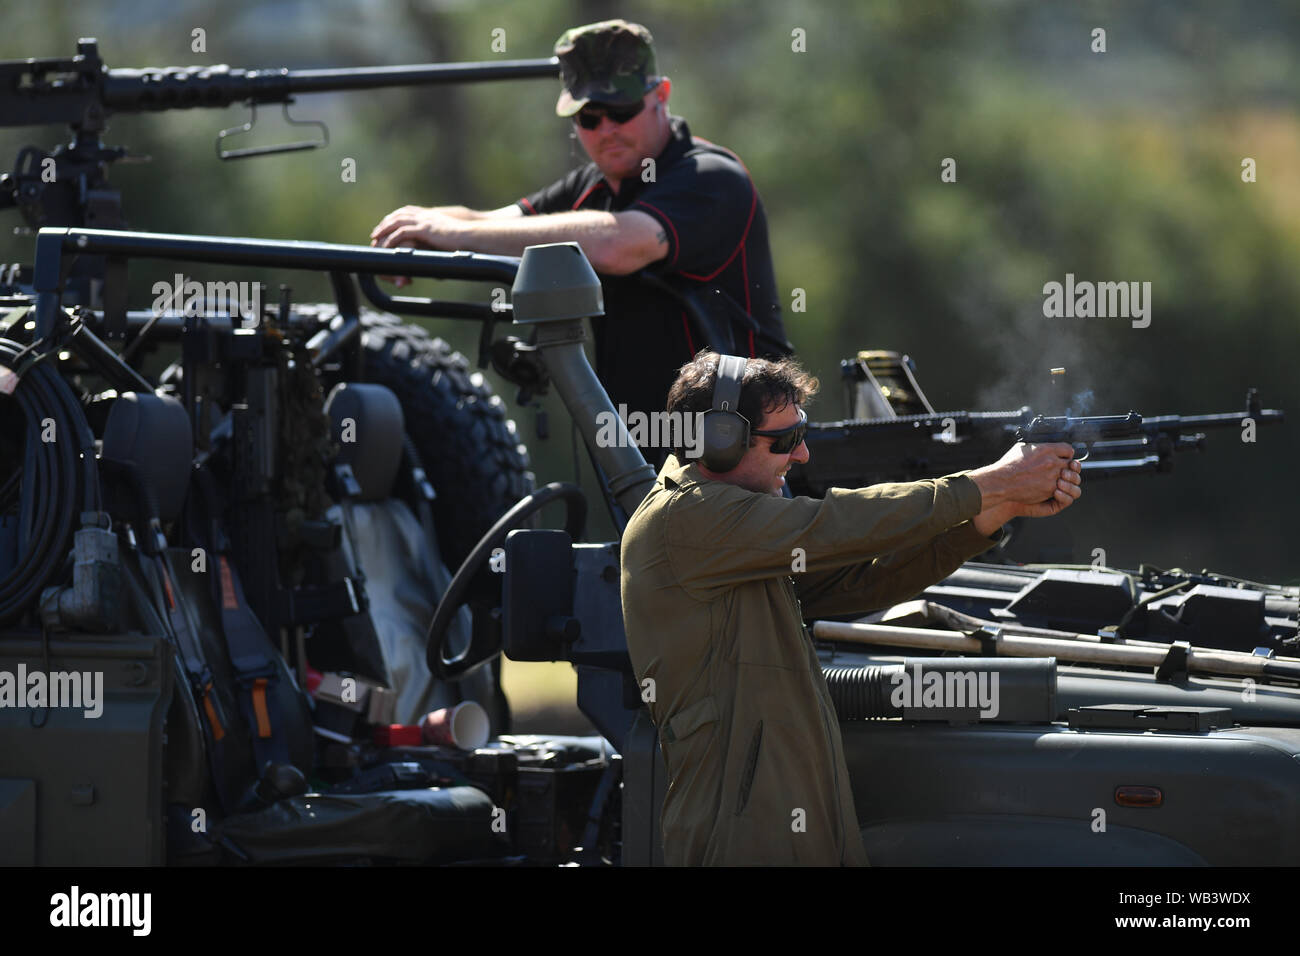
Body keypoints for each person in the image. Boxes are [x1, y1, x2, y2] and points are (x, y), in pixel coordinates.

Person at [620, 350, 1084, 866]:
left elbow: (862, 582)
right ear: (720, 441)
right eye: (787, 441)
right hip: (743, 831)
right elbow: (838, 523)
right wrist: (991, 482)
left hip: (781, 813)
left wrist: (991, 513)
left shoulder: (729, 531)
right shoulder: (687, 518)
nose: (802, 457)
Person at [370, 20, 790, 447]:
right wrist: (417, 227)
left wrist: (451, 233)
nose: (606, 129)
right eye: (588, 117)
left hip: (746, 448)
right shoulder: (592, 187)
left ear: (660, 96)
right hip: (649, 450)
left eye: (621, 111)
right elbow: (489, 223)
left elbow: (618, 244)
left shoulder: (712, 177)